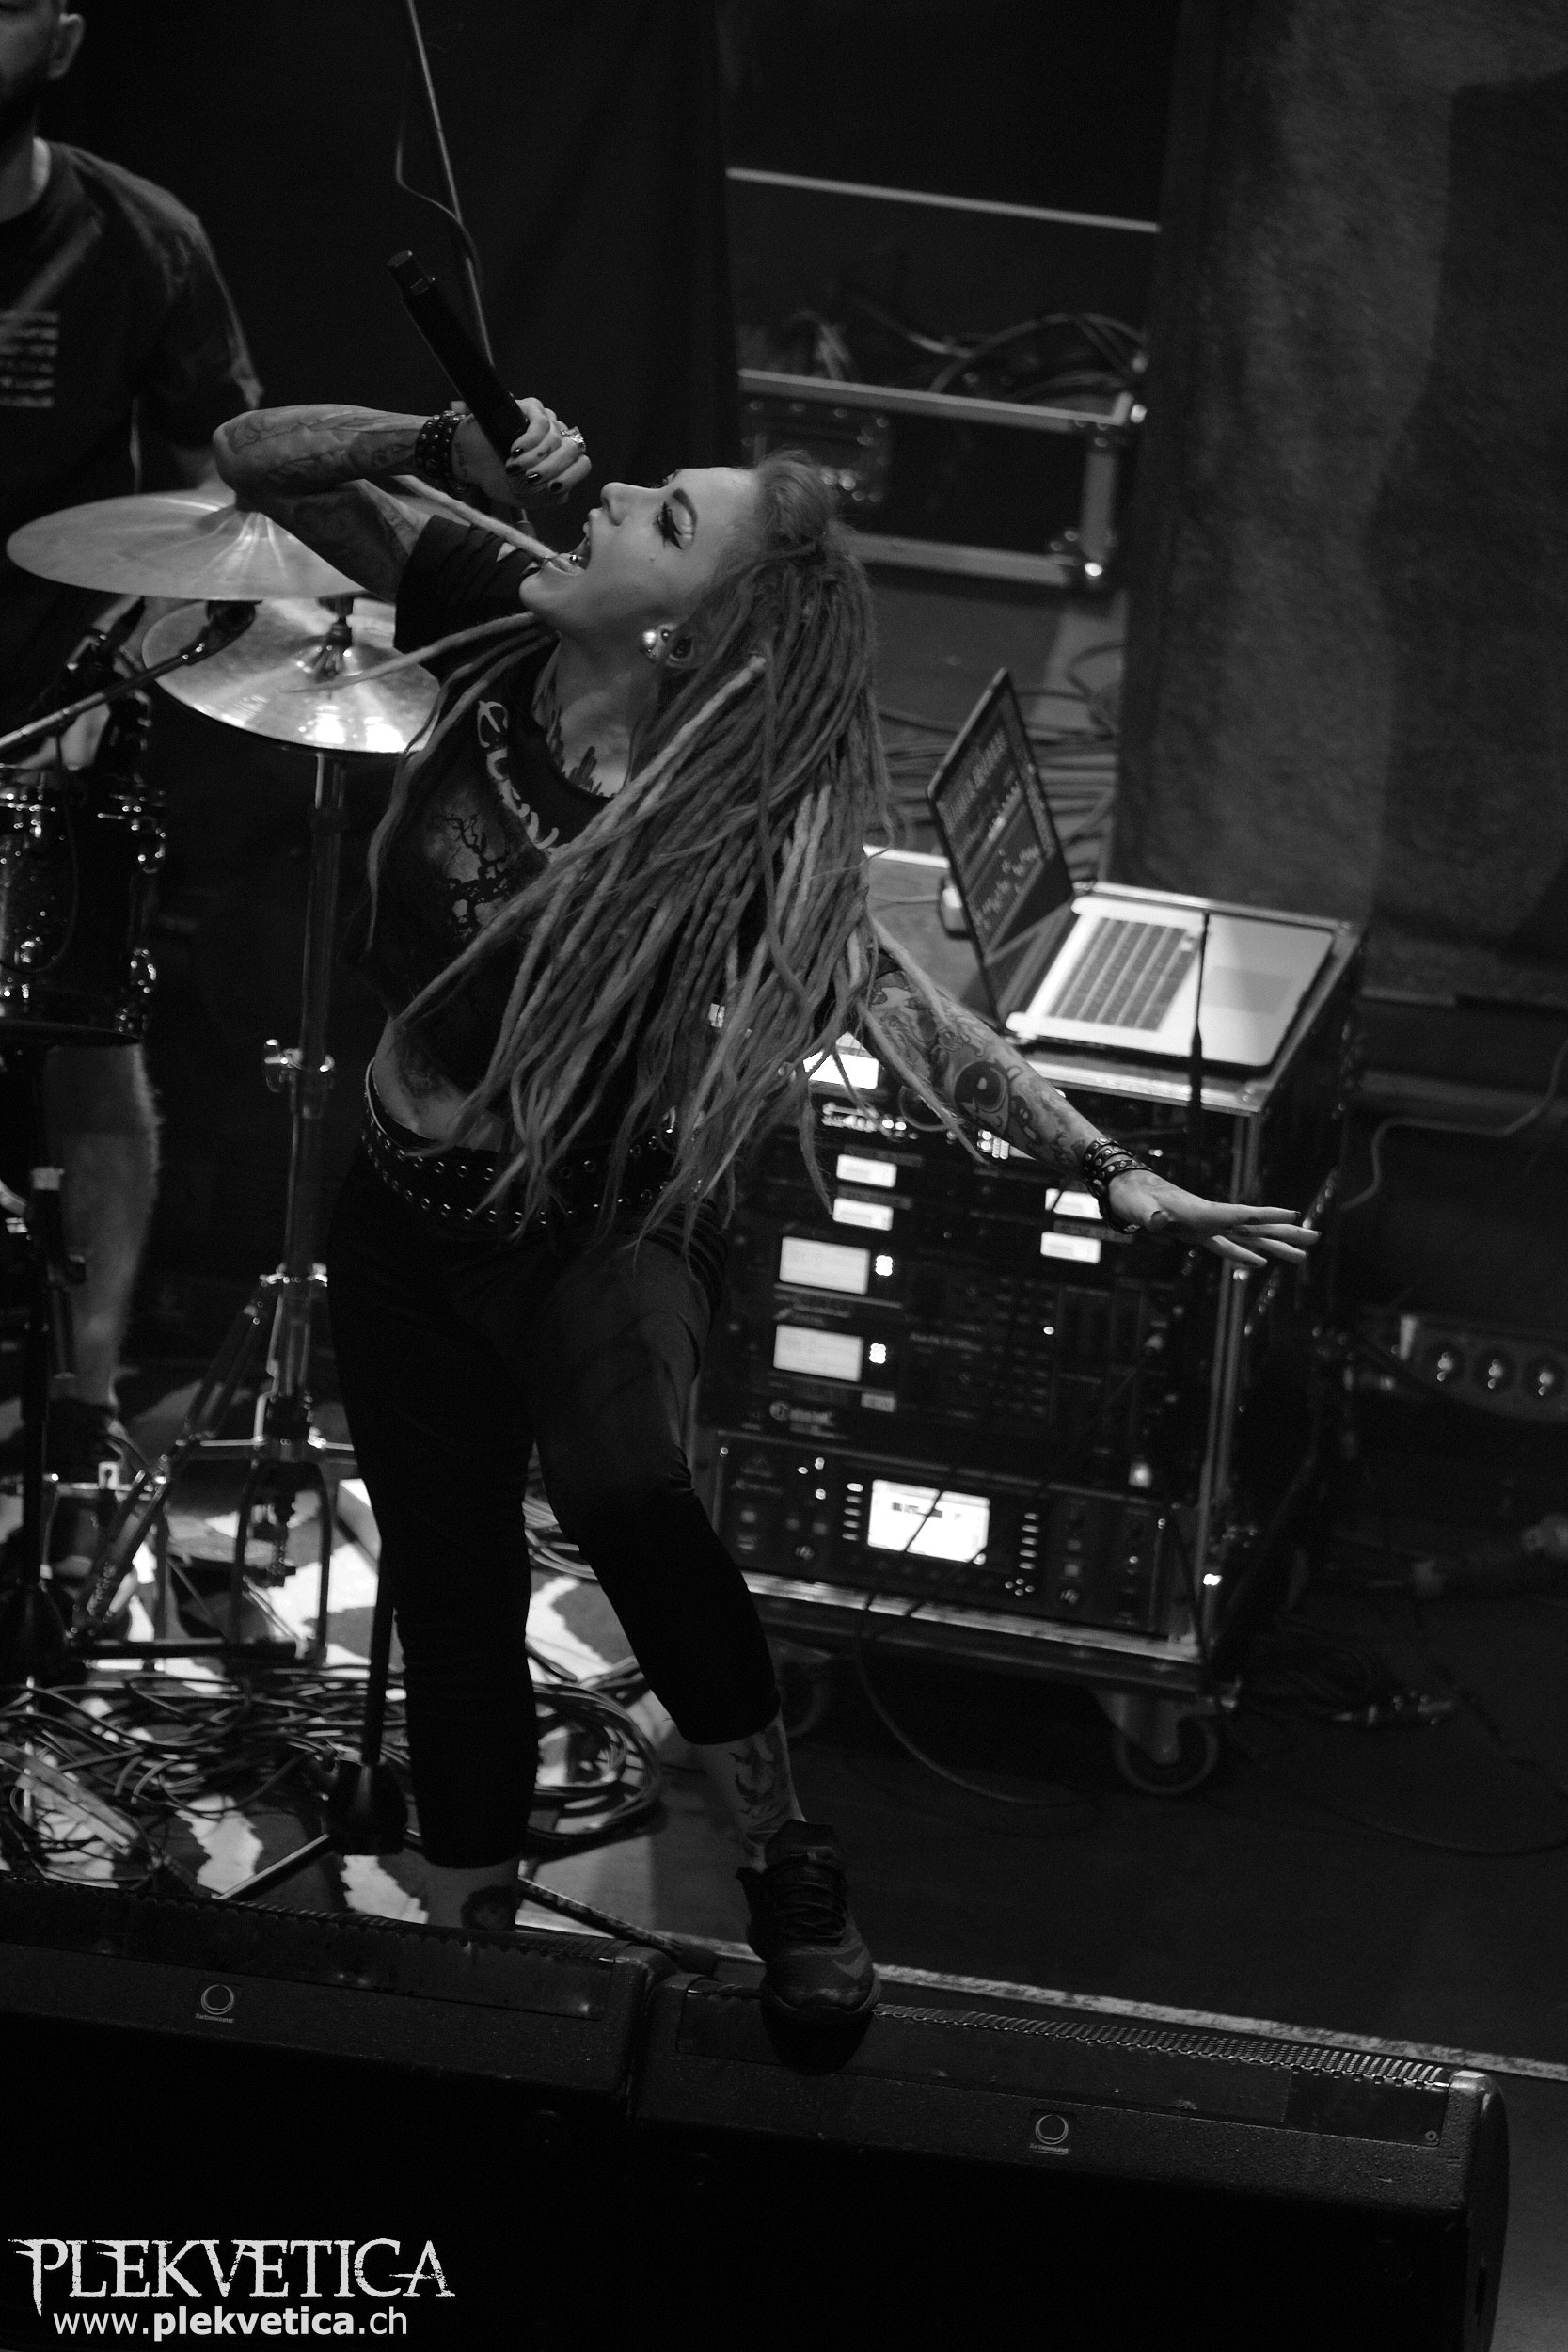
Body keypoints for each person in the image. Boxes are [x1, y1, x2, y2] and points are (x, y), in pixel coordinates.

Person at [214, 392, 1316, 2027]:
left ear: (687, 633)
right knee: (449, 1588)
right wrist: (435, 435)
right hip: (404, 1205)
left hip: (597, 1221)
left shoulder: (726, 827)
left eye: (664, 517)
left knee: (631, 1494)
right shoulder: (492, 609)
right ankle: (472, 1941)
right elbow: (253, 458)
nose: (614, 488)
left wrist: (1110, 1167)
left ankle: (786, 1866)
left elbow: (902, 1008)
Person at [0, 0, 260, 1478]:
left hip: (60, 705)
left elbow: (226, 503)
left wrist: (117, 672)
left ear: (63, 40)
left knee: (94, 1053)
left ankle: (86, 1402)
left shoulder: (143, 243)